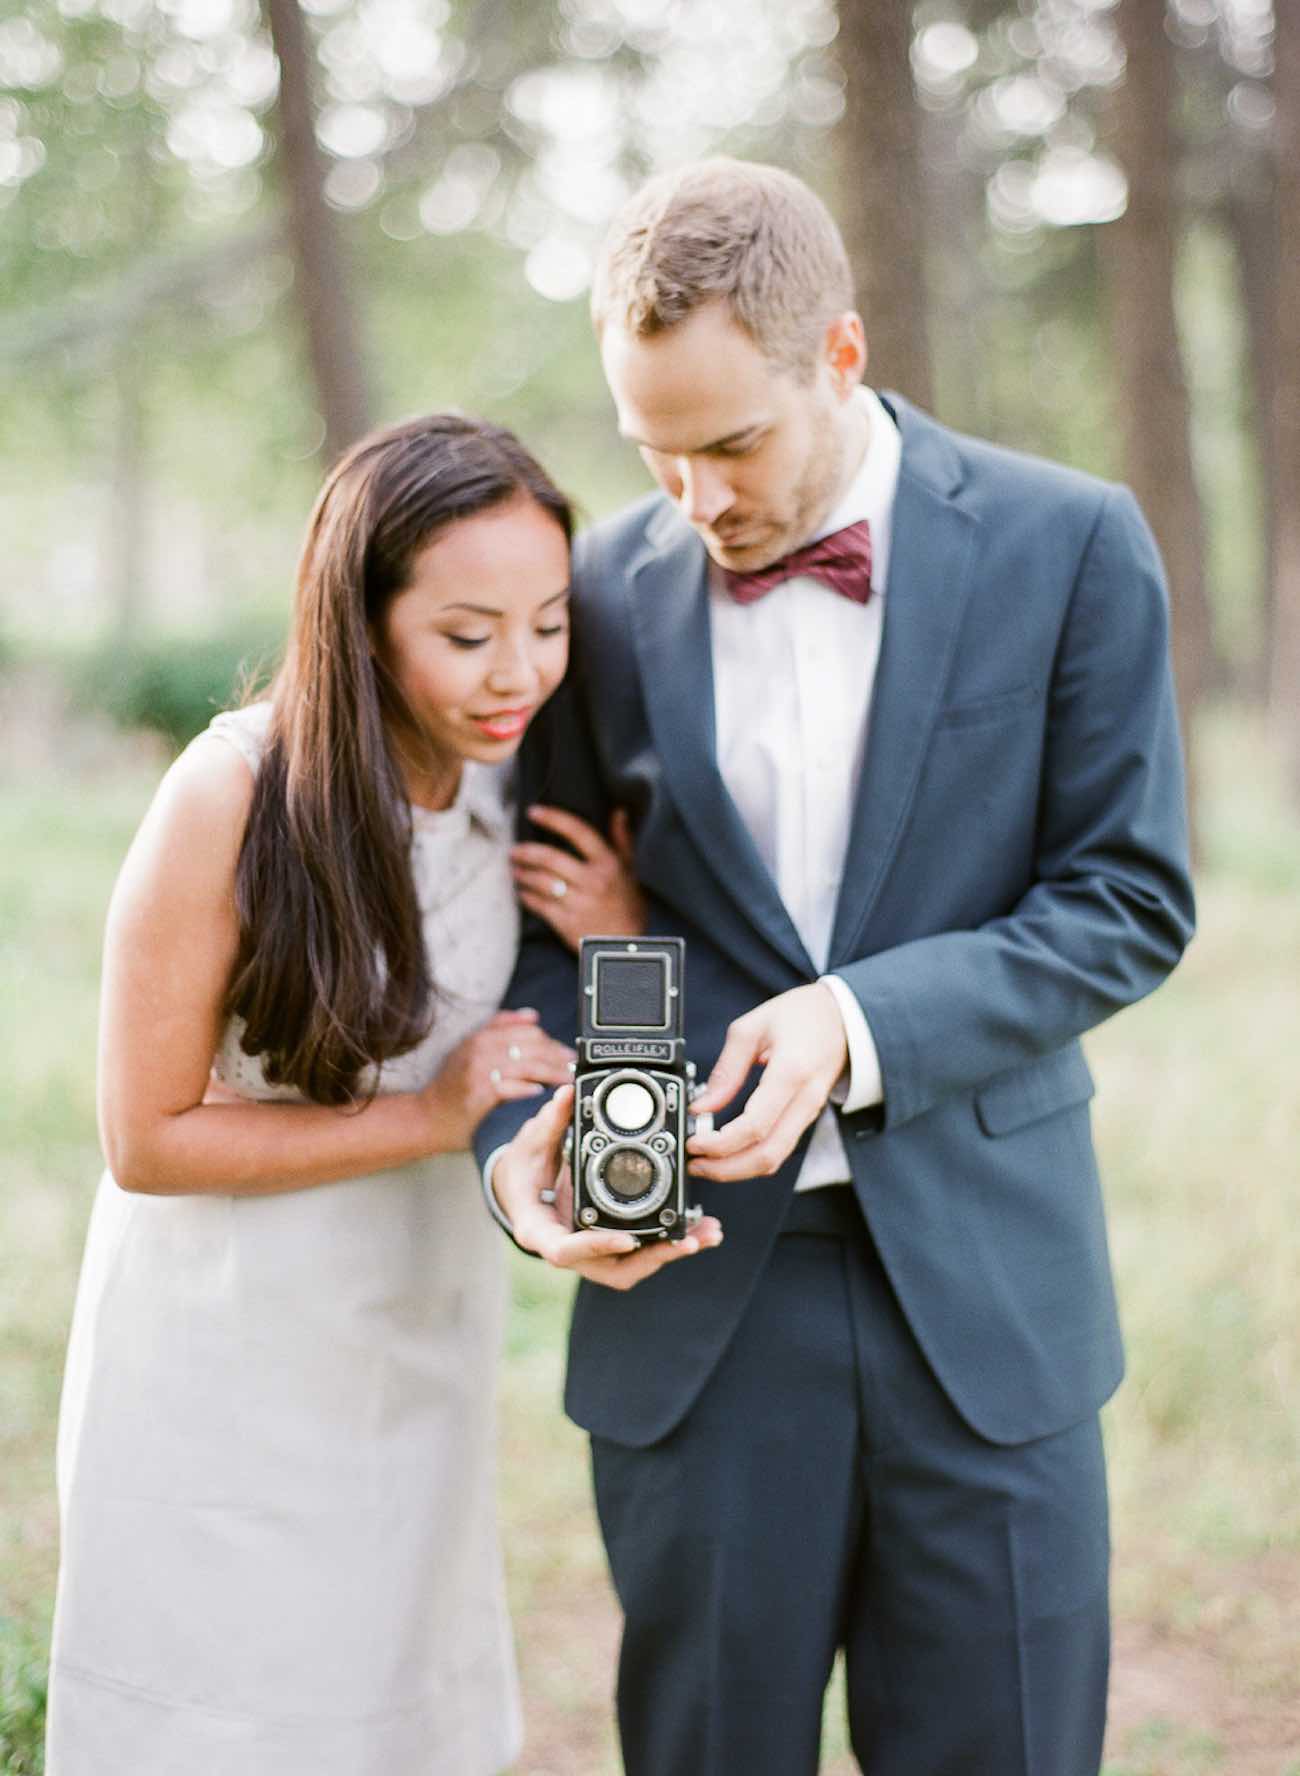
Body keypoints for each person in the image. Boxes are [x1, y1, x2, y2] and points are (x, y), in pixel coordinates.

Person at [478, 159, 1196, 1775]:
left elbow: (1127, 899)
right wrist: (516, 1178)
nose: (696, 496)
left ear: (844, 355)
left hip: (991, 1306)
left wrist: (859, 1022)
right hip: (698, 1315)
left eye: (731, 441)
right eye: (650, 446)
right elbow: (544, 947)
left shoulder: (1070, 544)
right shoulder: (596, 599)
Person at [45, 413, 716, 1776]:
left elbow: (559, 1006)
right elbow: (145, 1137)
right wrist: (431, 1111)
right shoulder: (232, 793)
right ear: (362, 621)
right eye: (467, 636)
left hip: (418, 1327)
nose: (516, 672)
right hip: (229, 1353)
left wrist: (620, 934)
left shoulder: (511, 774)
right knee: (237, 1713)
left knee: (394, 1706)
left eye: (547, 625)